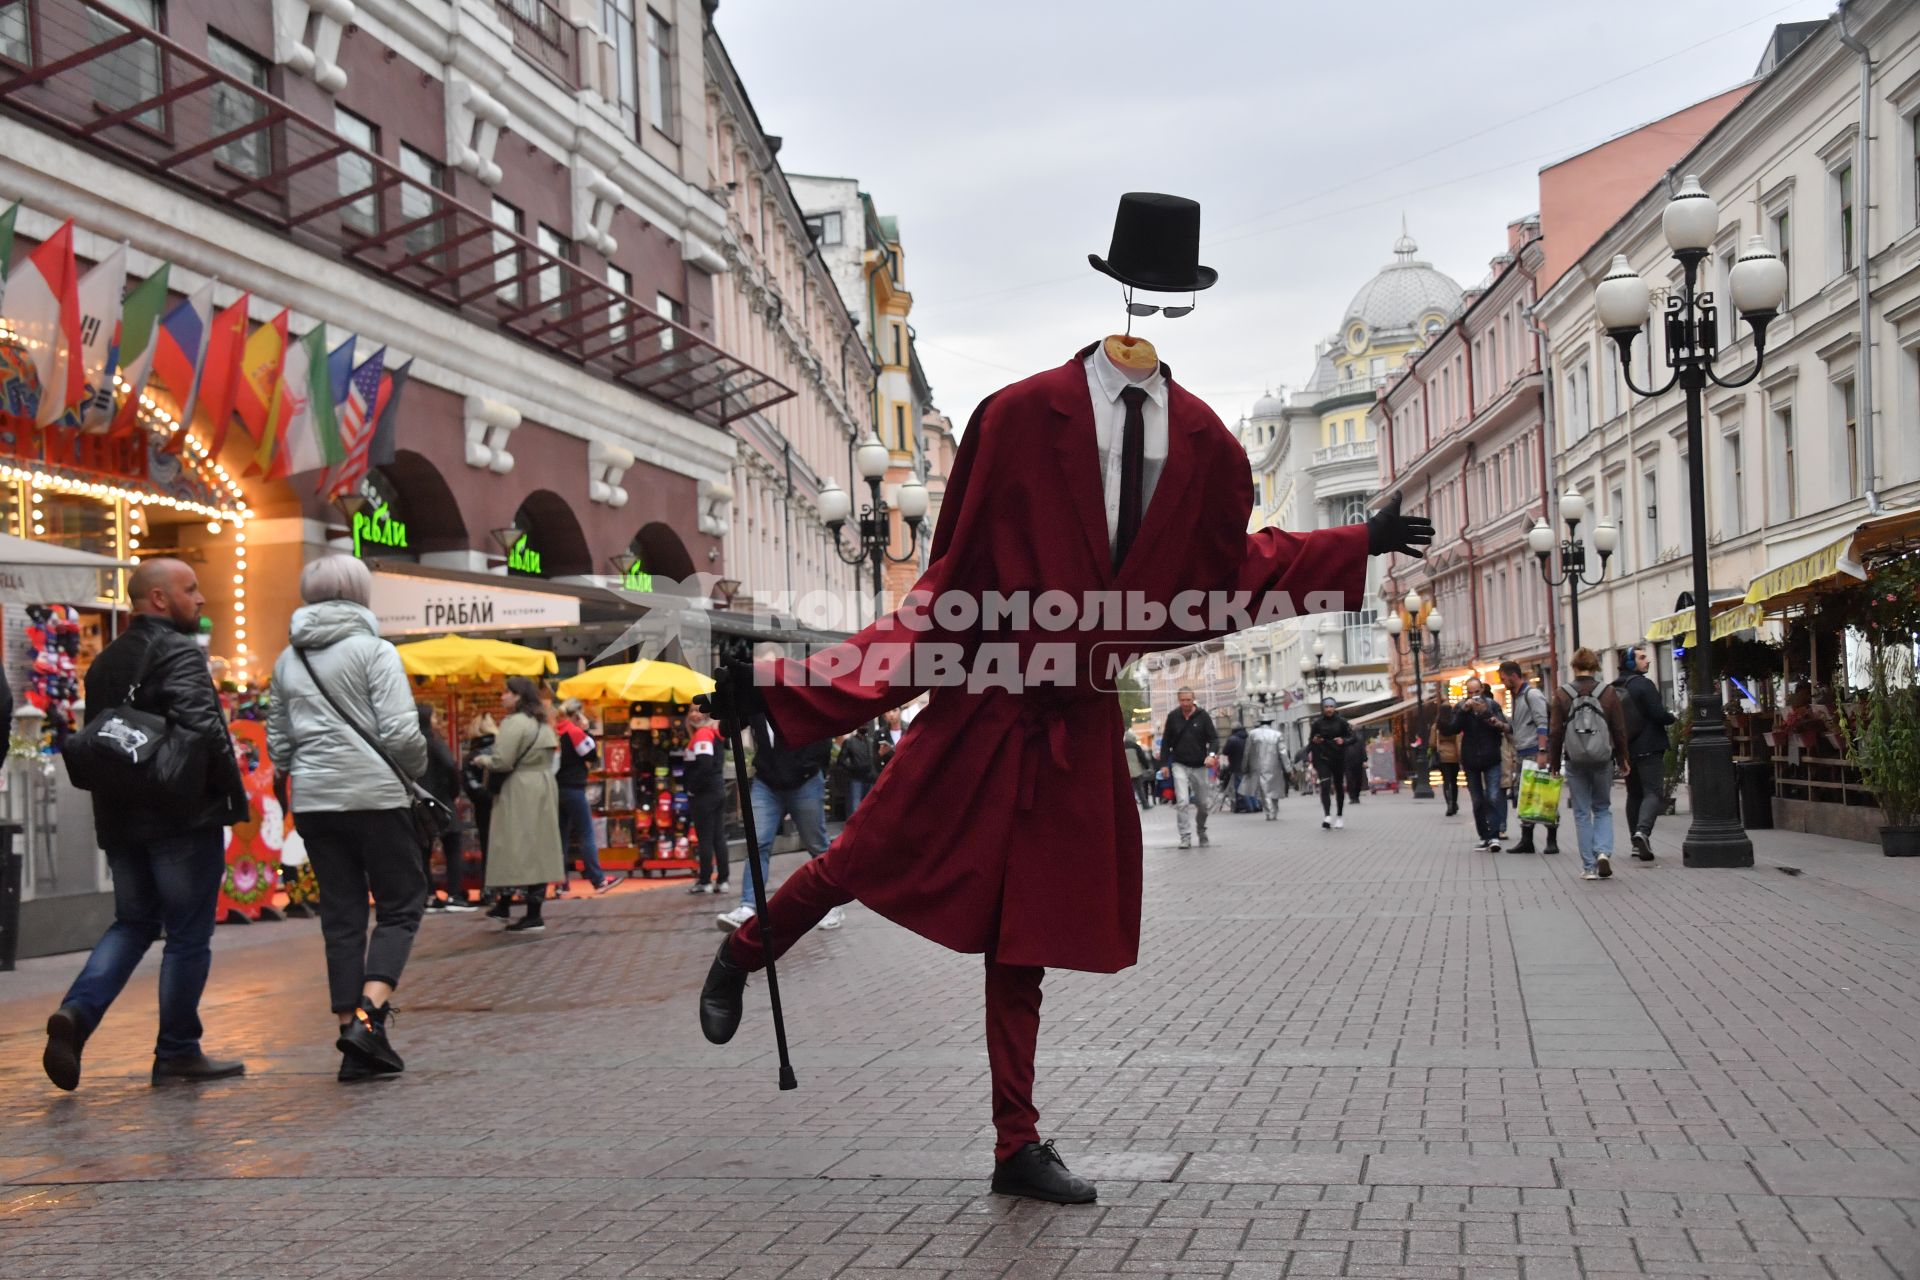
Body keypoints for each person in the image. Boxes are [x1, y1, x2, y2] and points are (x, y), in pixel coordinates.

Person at [694, 195, 1433, 1206]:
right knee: (859, 858)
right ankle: (744, 952)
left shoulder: (1210, 445)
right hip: (982, 702)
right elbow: (946, 593)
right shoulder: (1015, 416)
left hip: (1077, 727)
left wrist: (1356, 543)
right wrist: (787, 687)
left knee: (1027, 935)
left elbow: (1233, 570)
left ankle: (1016, 1142)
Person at [41, 558, 249, 1092]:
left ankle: (77, 1014)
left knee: (132, 923)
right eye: (190, 589)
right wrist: (230, 796)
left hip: (120, 817)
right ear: (158, 599)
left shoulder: (104, 661)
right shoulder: (179, 651)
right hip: (180, 819)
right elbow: (204, 728)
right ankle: (178, 1051)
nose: (200, 600)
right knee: (186, 935)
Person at [268, 555, 431, 1080]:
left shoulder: (287, 660)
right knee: (401, 903)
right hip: (377, 797)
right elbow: (403, 734)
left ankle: (349, 1030)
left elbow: (279, 740)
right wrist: (412, 774)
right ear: (360, 593)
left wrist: (300, 777)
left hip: (315, 801)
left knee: (340, 916)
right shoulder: (375, 651)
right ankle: (369, 1018)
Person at [717, 712, 835, 932]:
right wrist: (736, 692)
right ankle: (749, 906)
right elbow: (727, 727)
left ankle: (832, 905)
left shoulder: (797, 690)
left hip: (805, 781)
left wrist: (808, 766)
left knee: (817, 846)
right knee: (757, 842)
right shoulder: (756, 696)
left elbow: (824, 733)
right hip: (767, 783)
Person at [480, 677, 564, 931]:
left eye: (506, 692)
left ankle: (511, 906)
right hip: (543, 785)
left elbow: (502, 761)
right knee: (540, 846)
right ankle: (531, 908)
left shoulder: (513, 723)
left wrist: (482, 761)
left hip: (518, 789)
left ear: (517, 696)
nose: (502, 697)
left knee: (511, 844)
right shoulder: (542, 722)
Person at [1548, 647, 1632, 881]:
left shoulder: (1562, 694)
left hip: (1575, 760)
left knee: (1582, 812)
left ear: (1574, 667)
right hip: (1602, 758)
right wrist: (1622, 758)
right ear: (1595, 667)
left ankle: (1589, 866)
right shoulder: (1608, 692)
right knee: (1603, 808)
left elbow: (1555, 732)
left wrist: (1554, 764)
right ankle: (1603, 852)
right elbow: (1619, 729)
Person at [1614, 644, 1676, 860]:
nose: (1647, 661)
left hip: (1626, 751)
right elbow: (1658, 714)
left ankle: (1634, 842)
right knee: (1653, 792)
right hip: (1650, 747)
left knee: (1634, 794)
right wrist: (1672, 717)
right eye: (1642, 658)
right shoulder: (1644, 685)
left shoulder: (1613, 687)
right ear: (1631, 662)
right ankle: (1643, 832)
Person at [554, 699, 622, 894]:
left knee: (561, 837)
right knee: (586, 833)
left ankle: (561, 882)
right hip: (574, 788)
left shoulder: (556, 730)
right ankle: (598, 879)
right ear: (576, 715)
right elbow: (591, 754)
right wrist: (586, 730)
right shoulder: (573, 731)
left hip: (557, 788)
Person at [417, 704, 475, 912]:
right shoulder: (434, 741)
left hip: (419, 803)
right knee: (453, 845)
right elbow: (451, 765)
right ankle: (454, 894)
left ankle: (429, 896)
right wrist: (453, 791)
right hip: (441, 801)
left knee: (423, 850)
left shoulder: (412, 743)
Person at [1499, 660, 1558, 854]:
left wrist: (1542, 751)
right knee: (1525, 797)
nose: (1503, 682)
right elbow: (1519, 727)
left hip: (1534, 751)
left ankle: (1552, 840)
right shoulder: (1516, 697)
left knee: (1544, 795)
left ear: (1513, 676)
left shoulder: (1532, 695)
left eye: (1504, 679)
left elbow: (1542, 723)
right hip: (1522, 752)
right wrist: (1501, 726)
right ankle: (1527, 840)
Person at [1448, 677, 1509, 850]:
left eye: (1477, 692)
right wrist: (1463, 711)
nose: (1474, 696)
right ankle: (1484, 836)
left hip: (1491, 756)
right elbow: (1452, 729)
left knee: (1493, 796)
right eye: (1470, 693)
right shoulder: (1461, 707)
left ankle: (1495, 836)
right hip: (1471, 759)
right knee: (1477, 800)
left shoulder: (1491, 705)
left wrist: (1485, 713)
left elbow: (1502, 726)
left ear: (1482, 689)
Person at [1160, 688, 1218, 849]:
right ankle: (1185, 836)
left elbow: (1214, 739)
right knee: (1183, 801)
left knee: (1203, 804)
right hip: (1179, 764)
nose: (1185, 703)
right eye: (1182, 700)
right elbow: (1165, 743)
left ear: (1193, 699)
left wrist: (1211, 755)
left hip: (1200, 765)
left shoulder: (1203, 716)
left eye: (1188, 700)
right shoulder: (1173, 717)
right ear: (1178, 701)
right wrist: (1164, 764)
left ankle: (1201, 829)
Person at [684, 702, 730, 895]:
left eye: (698, 710)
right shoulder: (712, 733)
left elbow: (704, 766)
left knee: (705, 838)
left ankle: (705, 880)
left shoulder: (703, 734)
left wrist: (692, 789)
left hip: (705, 794)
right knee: (718, 836)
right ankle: (722, 879)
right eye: (691, 710)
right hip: (716, 790)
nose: (694, 714)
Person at [461, 714, 499, 903]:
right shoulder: (501, 749)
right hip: (505, 806)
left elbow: (470, 785)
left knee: (488, 848)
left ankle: (489, 889)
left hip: (484, 809)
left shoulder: (472, 756)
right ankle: (514, 886)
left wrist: (484, 798)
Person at [1307, 698, 1351, 829]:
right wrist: (1315, 740)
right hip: (1323, 758)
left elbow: (1353, 737)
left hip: (1338, 757)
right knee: (1325, 785)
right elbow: (1311, 740)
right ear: (1323, 708)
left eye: (1331, 706)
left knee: (1338, 786)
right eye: (1326, 707)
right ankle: (1327, 816)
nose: (1329, 709)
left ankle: (1340, 816)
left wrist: (1343, 741)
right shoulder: (1317, 723)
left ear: (1335, 707)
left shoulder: (1342, 722)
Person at [1246, 716, 1287, 821]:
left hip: (1258, 765)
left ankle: (1269, 812)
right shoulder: (1277, 735)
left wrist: (1245, 766)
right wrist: (1288, 768)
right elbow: (1283, 753)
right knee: (1275, 789)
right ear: (1270, 723)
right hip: (1274, 765)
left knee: (1264, 790)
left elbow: (1247, 752)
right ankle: (1274, 811)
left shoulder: (1253, 734)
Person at [1433, 712, 1462, 816]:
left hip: (1442, 756)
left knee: (1446, 781)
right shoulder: (1455, 725)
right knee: (1454, 782)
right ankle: (1454, 803)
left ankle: (1449, 804)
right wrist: (1460, 757)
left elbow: (1432, 742)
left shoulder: (1436, 726)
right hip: (1454, 756)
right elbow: (1458, 742)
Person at [1123, 730, 1154, 809]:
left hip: (1125, 772)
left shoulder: (1121, 746)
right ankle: (1145, 805)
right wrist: (1147, 767)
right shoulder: (1136, 746)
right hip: (1136, 770)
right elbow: (1142, 758)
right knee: (1140, 789)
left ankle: (1126, 807)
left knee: (1128, 790)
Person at [1221, 725, 1247, 813]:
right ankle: (1253, 805)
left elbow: (1225, 751)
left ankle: (1242, 805)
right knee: (1248, 785)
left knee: (1239, 786)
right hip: (1248, 766)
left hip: (1236, 766)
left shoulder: (1232, 739)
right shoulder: (1248, 738)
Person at [1343, 732, 1368, 806]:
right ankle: (1352, 797)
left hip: (1358, 762)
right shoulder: (1344, 740)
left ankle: (1356, 796)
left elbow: (1362, 749)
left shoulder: (1359, 739)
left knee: (1358, 780)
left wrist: (1364, 760)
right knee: (1349, 780)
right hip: (1347, 763)